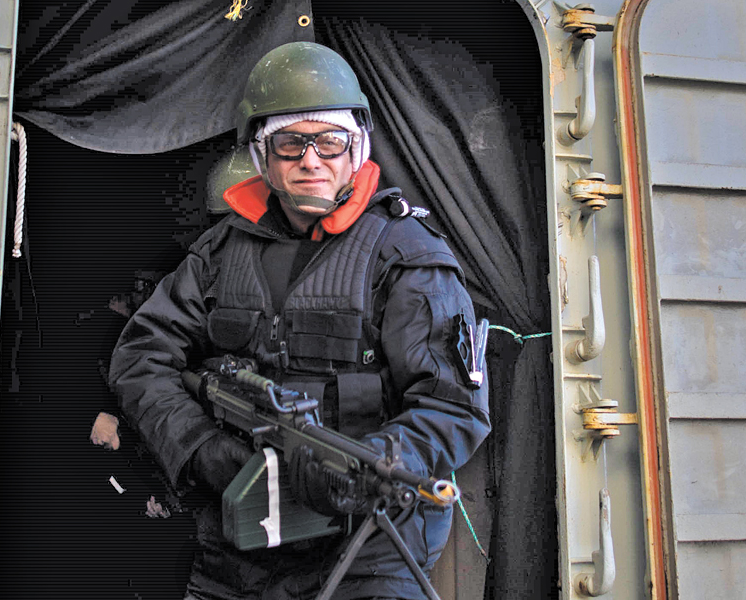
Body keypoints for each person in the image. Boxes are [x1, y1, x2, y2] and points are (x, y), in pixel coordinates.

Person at [109, 41, 491, 600]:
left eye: (330, 141)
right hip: (237, 548)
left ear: (356, 148)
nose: (311, 160)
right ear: (263, 157)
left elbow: (453, 407)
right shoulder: (218, 253)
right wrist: (202, 451)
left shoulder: (408, 255)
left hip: (369, 550)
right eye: (291, 143)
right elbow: (141, 358)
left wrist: (369, 470)